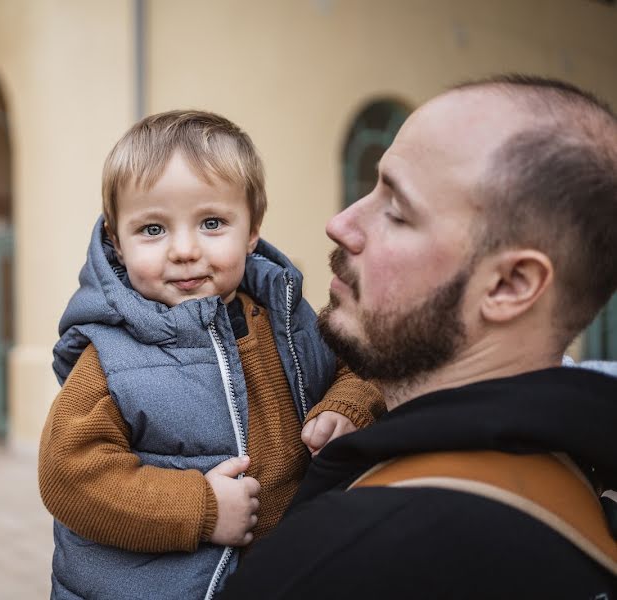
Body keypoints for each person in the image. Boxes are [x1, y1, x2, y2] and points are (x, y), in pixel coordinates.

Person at [220, 75, 617, 599]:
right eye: (371, 186)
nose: (341, 224)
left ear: (509, 284)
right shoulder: (587, 498)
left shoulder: (346, 557)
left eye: (397, 211)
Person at [38, 110, 383, 600]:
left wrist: (345, 407)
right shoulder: (112, 358)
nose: (183, 249)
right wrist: (201, 507)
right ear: (116, 242)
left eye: (212, 222)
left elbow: (362, 366)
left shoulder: (286, 320)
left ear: (252, 230)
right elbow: (69, 476)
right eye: (153, 229)